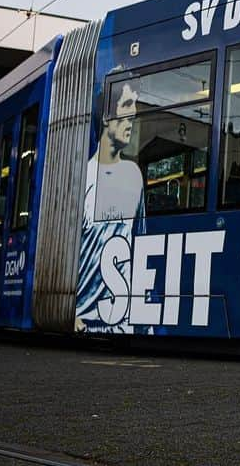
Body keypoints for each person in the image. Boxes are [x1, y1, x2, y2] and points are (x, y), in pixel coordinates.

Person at [76, 78, 145, 332]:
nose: (134, 113)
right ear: (106, 115)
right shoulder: (82, 179)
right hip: (86, 322)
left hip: (123, 324)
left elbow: (141, 246)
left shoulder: (134, 176)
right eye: (127, 104)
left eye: (134, 105)